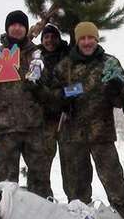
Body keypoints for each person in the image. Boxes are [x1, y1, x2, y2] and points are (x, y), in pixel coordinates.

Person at [52, 21, 124, 219]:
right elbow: (51, 96)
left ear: (97, 39)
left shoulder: (110, 63)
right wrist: (63, 98)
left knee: (115, 185)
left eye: (91, 38)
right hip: (72, 137)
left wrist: (117, 90)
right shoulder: (65, 66)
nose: (87, 42)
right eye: (83, 39)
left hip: (101, 135)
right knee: (76, 192)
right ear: (77, 41)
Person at [0, 10, 51, 198]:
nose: (17, 28)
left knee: (40, 182)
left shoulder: (37, 55)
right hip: (5, 130)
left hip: (34, 129)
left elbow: (49, 88)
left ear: (25, 28)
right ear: (7, 28)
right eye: (13, 25)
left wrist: (39, 81)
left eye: (21, 25)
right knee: (6, 186)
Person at [35, 24, 91, 200]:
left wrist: (63, 95)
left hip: (67, 119)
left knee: (72, 167)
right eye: (46, 37)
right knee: (41, 168)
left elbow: (81, 85)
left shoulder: (69, 56)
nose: (49, 40)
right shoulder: (35, 59)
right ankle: (43, 204)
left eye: (53, 37)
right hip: (44, 121)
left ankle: (78, 204)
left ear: (59, 39)